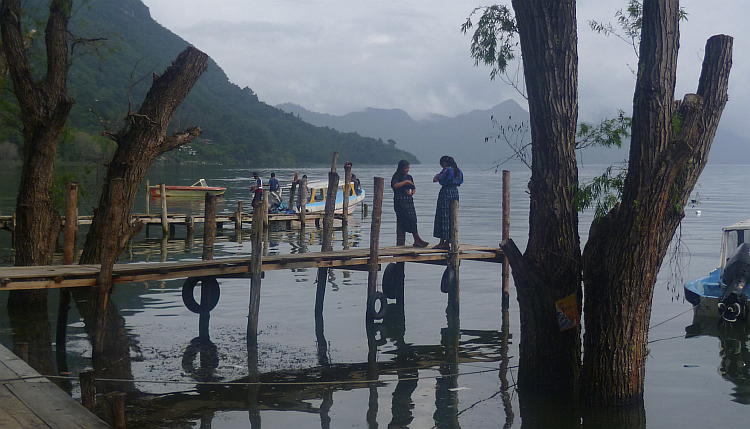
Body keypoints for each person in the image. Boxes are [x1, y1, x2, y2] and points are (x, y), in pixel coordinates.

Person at [391, 160, 429, 248]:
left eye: (408, 168)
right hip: (400, 201)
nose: (407, 170)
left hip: (409, 200)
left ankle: (417, 239)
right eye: (406, 168)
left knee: (413, 219)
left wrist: (412, 192)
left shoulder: (409, 177)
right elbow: (395, 186)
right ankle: (417, 239)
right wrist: (405, 182)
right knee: (407, 218)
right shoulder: (397, 176)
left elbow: (413, 187)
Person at [432, 156, 462, 250]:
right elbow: (459, 183)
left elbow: (435, 179)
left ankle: (442, 242)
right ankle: (450, 238)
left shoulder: (446, 170)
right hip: (455, 193)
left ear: (444, 163)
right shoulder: (457, 170)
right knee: (452, 216)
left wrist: (437, 175)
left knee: (443, 216)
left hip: (445, 193)